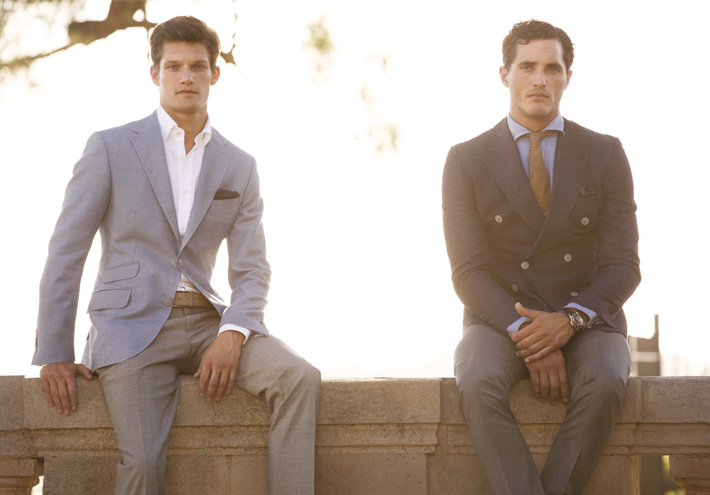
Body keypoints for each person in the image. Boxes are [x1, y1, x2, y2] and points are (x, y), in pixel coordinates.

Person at [32, 15, 320, 495]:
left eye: (197, 66)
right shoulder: (109, 148)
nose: (186, 76)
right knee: (144, 460)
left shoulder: (239, 165)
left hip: (209, 323)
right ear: (155, 74)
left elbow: (252, 268)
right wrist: (55, 352)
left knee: (299, 378)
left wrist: (233, 332)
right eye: (174, 67)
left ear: (214, 74)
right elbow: (67, 250)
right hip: (130, 328)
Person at [442, 19, 640, 494]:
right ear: (504, 75)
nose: (539, 79)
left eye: (552, 68)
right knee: (476, 377)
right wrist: (529, 332)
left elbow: (624, 266)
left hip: (588, 318)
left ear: (567, 77)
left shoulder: (605, 152)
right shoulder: (466, 159)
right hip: (499, 319)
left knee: (607, 377)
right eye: (527, 67)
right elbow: (468, 271)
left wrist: (568, 321)